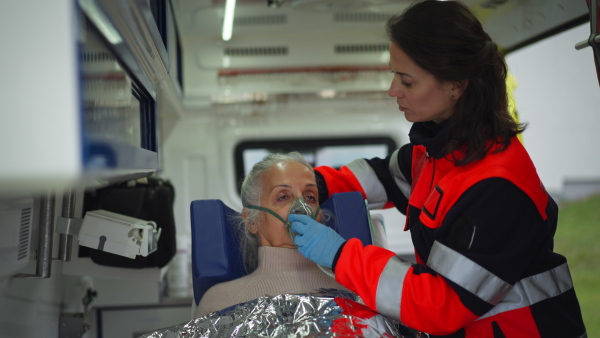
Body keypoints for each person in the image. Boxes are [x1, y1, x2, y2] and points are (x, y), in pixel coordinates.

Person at [288, 1, 587, 337]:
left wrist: (340, 255)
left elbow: (441, 303)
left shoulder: (496, 187)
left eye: (407, 81)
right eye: (393, 76)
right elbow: (382, 176)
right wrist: (309, 184)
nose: (393, 91)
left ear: (455, 85)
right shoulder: (440, 151)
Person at [194, 152, 351, 318]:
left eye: (310, 197)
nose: (301, 207)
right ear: (251, 221)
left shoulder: (352, 290)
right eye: (283, 197)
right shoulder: (222, 301)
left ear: (320, 215)